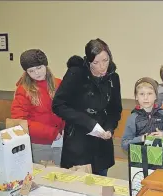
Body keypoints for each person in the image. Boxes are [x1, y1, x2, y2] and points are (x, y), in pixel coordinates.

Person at [52, 38, 123, 176]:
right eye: (96, 63)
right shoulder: (76, 74)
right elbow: (58, 105)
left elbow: (115, 110)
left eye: (105, 60)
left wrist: (109, 128)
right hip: (78, 143)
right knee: (78, 188)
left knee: (101, 186)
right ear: (89, 61)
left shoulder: (113, 78)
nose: (102, 66)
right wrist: (87, 122)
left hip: (102, 144)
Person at [11, 49, 64, 165]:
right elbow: (20, 121)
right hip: (39, 144)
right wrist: (51, 133)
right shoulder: (23, 90)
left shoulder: (59, 83)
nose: (37, 73)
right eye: (31, 71)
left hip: (62, 139)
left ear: (45, 65)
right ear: (26, 72)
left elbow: (67, 109)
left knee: (62, 175)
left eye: (39, 67)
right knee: (43, 176)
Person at [121, 77, 163, 151]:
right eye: (142, 94)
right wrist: (141, 139)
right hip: (139, 161)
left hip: (161, 159)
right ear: (136, 97)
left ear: (156, 96)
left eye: (149, 94)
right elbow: (125, 144)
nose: (145, 98)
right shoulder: (132, 118)